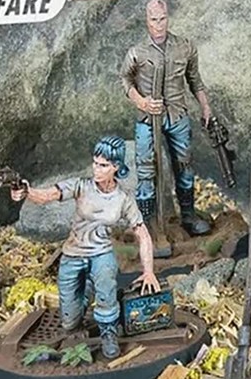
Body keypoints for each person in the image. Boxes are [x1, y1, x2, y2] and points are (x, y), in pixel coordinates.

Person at [10, 136, 158, 360]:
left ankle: (108, 332)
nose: (97, 169)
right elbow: (47, 196)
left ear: (116, 167)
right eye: (95, 163)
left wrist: (149, 271)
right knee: (70, 320)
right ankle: (87, 291)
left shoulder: (123, 199)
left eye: (103, 165)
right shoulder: (81, 186)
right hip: (73, 253)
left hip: (101, 253)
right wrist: (26, 191)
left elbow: (143, 234)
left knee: (107, 289)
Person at [120, 0, 213, 237]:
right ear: (146, 21)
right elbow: (126, 80)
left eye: (163, 19)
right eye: (154, 20)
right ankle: (147, 224)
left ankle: (188, 215)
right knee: (145, 171)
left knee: (184, 165)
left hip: (177, 115)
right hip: (147, 119)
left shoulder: (185, 47)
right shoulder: (137, 53)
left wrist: (205, 107)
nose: (159, 25)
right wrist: (142, 102)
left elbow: (195, 80)